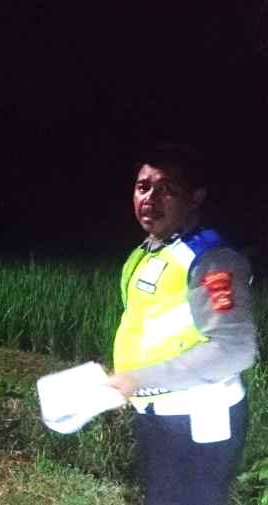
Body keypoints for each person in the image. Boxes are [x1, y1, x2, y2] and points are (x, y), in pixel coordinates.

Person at [106, 144, 258, 505]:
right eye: (143, 187)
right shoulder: (145, 253)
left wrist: (137, 379)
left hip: (199, 421)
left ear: (195, 198)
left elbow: (234, 348)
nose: (151, 198)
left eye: (167, 189)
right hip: (157, 413)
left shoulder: (211, 260)